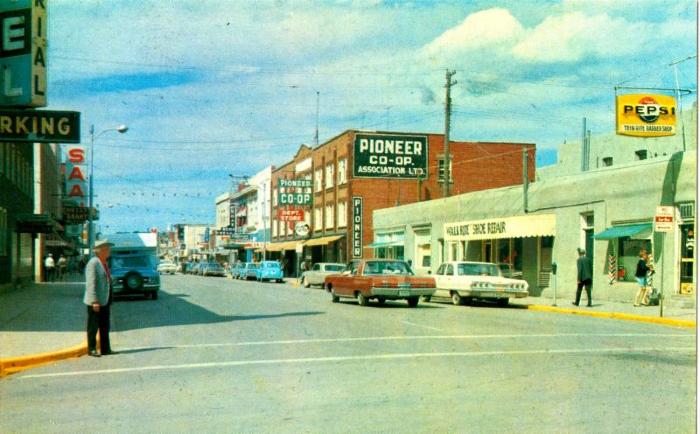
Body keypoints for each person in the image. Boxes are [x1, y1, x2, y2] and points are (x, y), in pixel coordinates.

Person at [83, 239, 115, 357]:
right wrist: (94, 301)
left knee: (105, 325)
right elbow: (91, 283)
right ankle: (91, 349)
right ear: (101, 250)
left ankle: (105, 349)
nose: (109, 250)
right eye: (107, 248)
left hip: (105, 299)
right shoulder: (93, 263)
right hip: (96, 301)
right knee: (93, 326)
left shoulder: (104, 262)